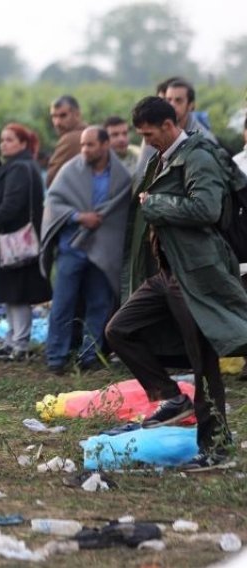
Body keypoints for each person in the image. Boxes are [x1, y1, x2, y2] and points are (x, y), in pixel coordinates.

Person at [106, 96, 247, 470]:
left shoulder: (198, 156)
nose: (146, 141)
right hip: (169, 272)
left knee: (204, 363)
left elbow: (207, 209)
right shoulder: (161, 157)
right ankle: (171, 396)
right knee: (119, 330)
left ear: (169, 126)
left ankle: (216, 447)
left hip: (197, 274)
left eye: (150, 134)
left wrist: (155, 203)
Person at [40, 126, 132, 374]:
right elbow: (54, 202)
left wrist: (98, 221)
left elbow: (120, 213)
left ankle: (89, 356)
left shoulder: (121, 176)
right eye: (82, 145)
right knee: (62, 304)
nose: (84, 150)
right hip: (72, 248)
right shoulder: (70, 170)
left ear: (104, 145)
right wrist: (78, 217)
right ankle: (56, 358)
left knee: (99, 304)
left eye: (90, 145)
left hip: (102, 251)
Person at [0, 123, 51, 360]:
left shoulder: (20, 168)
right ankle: (12, 340)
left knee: (18, 294)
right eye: (2, 139)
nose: (3, 144)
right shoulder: (19, 165)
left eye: (10, 139)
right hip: (12, 241)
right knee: (11, 293)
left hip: (15, 240)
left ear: (22, 143)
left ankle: (19, 343)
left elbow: (11, 205)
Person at [46, 95, 87, 188]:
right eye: (54, 117)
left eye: (63, 116)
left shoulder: (70, 139)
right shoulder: (91, 133)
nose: (57, 122)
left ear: (77, 114)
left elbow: (52, 179)